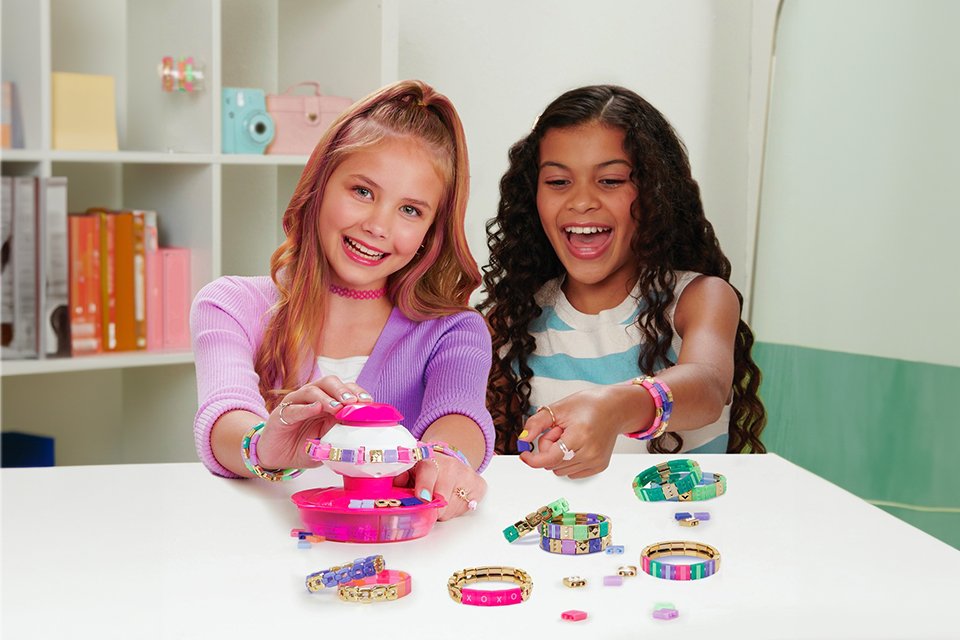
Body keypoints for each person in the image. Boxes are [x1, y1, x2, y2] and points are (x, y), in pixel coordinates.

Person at [192, 80, 492, 519]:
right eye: (363, 192)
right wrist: (265, 442)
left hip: (403, 558)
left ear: (432, 231)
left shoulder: (454, 332)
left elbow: (459, 413)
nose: (378, 225)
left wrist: (443, 460)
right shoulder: (229, 305)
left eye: (410, 210)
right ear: (320, 187)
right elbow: (224, 414)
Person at [479, 84, 766, 479]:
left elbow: (709, 387)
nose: (581, 202)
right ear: (534, 198)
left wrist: (613, 409)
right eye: (559, 182)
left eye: (610, 181)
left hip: (680, 538)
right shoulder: (511, 319)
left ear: (653, 193)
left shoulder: (699, 299)